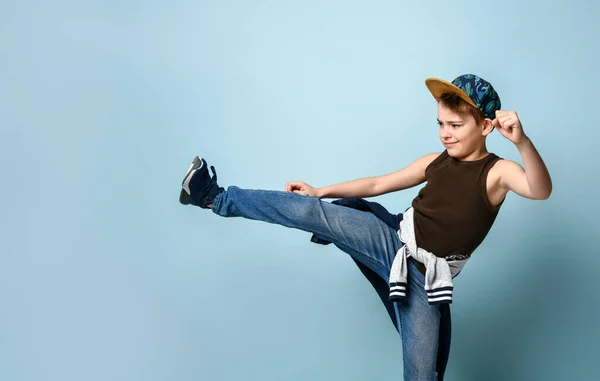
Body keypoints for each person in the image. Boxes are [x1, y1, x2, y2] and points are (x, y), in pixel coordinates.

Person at [178, 74, 552, 381]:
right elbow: (378, 184)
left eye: (455, 125)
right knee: (314, 212)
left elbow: (539, 189)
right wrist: (322, 191)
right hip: (391, 240)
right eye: (440, 124)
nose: (445, 133)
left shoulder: (497, 173)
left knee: (422, 375)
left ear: (486, 126)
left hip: (425, 284)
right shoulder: (436, 160)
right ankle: (214, 196)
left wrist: (522, 142)